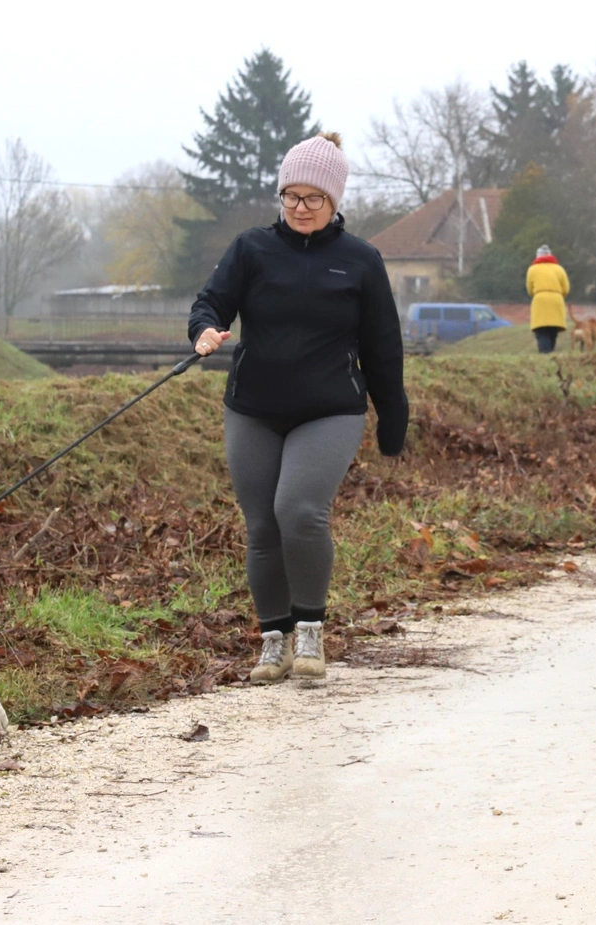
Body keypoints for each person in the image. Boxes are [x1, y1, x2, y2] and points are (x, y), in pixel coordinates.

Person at [188, 131, 409, 683]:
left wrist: (393, 417)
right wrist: (206, 329)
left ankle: (310, 630)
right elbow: (211, 300)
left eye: (313, 198)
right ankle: (273, 640)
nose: (300, 208)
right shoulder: (251, 249)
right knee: (262, 524)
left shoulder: (360, 260)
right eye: (291, 196)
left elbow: (384, 345)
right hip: (254, 406)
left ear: (334, 200)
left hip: (329, 408)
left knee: (300, 511)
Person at [526, 244, 570, 353]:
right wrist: (558, 295)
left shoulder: (532, 269)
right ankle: (551, 352)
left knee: (542, 331)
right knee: (553, 330)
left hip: (540, 300)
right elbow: (566, 288)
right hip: (556, 300)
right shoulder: (559, 269)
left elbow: (529, 289)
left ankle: (544, 354)